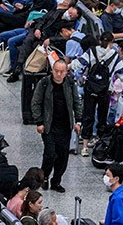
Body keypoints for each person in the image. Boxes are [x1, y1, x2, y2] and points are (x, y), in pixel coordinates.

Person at [31, 60, 82, 193]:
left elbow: (76, 102)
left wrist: (78, 121)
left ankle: (56, 181)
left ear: (66, 72)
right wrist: (39, 121)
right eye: (56, 71)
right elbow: (35, 102)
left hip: (65, 126)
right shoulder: (44, 83)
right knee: (50, 154)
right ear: (52, 70)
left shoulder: (70, 84)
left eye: (61, 71)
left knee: (63, 156)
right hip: (49, 125)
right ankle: (44, 175)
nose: (58, 74)